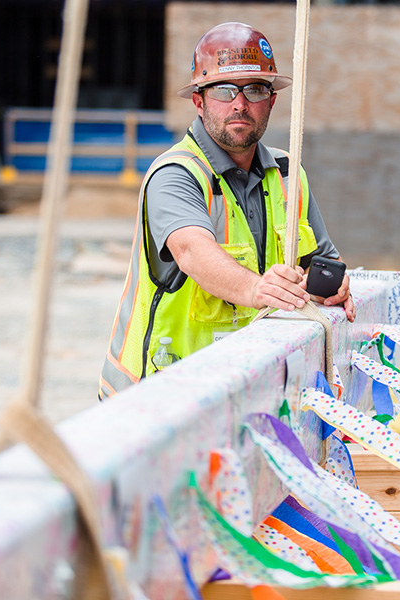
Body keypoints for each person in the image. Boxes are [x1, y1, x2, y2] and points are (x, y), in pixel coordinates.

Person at [99, 22, 354, 400]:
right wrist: (256, 288)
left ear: (271, 100)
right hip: (154, 396)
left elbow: (321, 259)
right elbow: (191, 251)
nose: (240, 103)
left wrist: (332, 288)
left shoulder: (287, 173)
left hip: (238, 389)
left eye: (254, 89)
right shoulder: (176, 174)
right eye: (223, 90)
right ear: (199, 102)